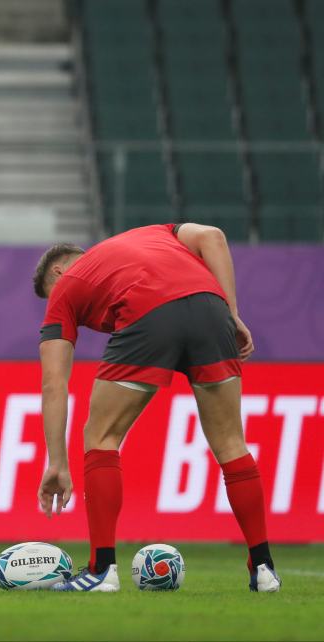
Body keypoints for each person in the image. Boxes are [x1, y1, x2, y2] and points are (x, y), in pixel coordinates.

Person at [33, 222, 280, 592]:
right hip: (211, 308)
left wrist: (56, 462)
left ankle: (101, 571)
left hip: (148, 311)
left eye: (50, 294)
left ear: (59, 271)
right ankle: (263, 569)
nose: (83, 320)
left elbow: (54, 383)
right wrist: (231, 313)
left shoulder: (67, 286)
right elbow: (213, 237)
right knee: (232, 444)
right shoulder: (153, 233)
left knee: (101, 435)